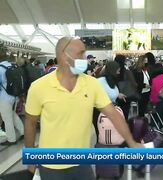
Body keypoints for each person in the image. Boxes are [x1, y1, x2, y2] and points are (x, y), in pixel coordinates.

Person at [24, 37, 143, 180]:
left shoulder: (92, 84)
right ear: (63, 55)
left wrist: (131, 142)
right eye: (80, 54)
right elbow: (30, 123)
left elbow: (113, 114)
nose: (84, 58)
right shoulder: (39, 87)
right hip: (52, 164)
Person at [93, 61, 127, 141]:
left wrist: (118, 95)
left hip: (111, 110)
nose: (118, 73)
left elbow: (111, 93)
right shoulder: (99, 81)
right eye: (117, 71)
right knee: (102, 134)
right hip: (100, 113)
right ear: (112, 70)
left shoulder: (111, 81)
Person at [0, 45, 24, 145]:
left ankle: (11, 139)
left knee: (7, 118)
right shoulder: (12, 66)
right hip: (14, 96)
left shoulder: (0, 68)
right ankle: (23, 132)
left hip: (5, 97)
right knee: (13, 115)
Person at [115, 55, 138, 120]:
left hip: (115, 95)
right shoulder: (127, 71)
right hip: (126, 95)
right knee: (125, 113)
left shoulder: (112, 71)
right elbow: (134, 83)